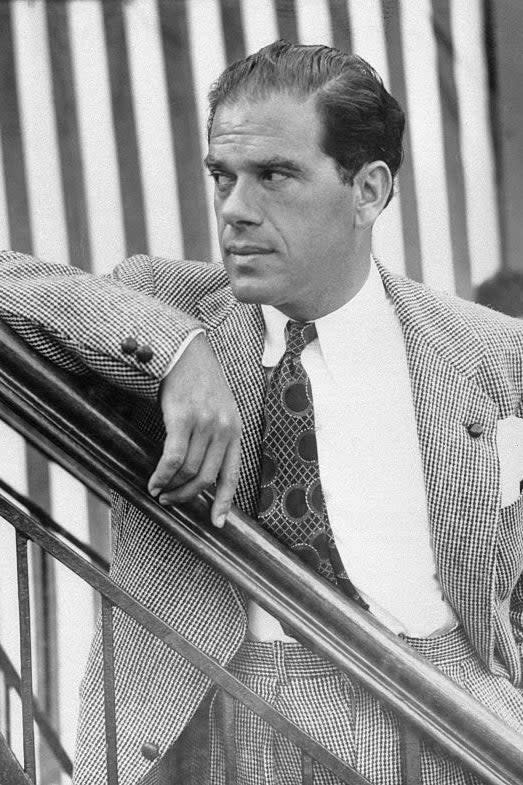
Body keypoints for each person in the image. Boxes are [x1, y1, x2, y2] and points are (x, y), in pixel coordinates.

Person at [1, 40, 523, 785]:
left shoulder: (491, 354)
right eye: (223, 177)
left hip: (434, 731)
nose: (235, 210)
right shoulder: (162, 302)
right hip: (208, 728)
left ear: (367, 191)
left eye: (274, 176)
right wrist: (174, 347)